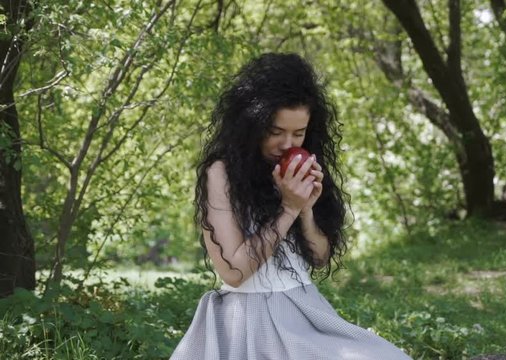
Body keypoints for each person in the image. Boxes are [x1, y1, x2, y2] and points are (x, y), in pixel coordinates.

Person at [170, 53, 411, 360]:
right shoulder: (220, 173)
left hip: (304, 309)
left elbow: (320, 258)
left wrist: (306, 209)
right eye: (276, 132)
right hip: (247, 319)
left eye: (298, 133)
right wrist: (287, 209)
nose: (288, 145)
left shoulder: (301, 167)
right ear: (252, 125)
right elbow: (233, 272)